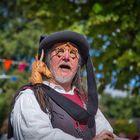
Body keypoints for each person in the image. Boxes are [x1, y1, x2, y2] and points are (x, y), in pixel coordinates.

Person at [8, 31, 117, 140]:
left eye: (73, 53)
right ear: (47, 61)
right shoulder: (30, 96)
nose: (66, 57)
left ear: (78, 65)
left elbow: (108, 134)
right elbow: (37, 136)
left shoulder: (86, 102)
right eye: (59, 51)